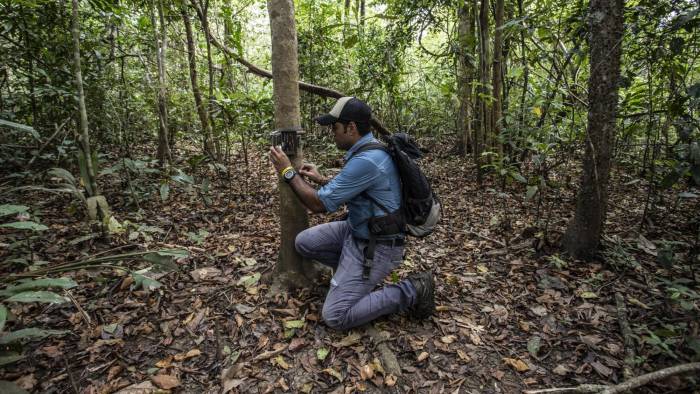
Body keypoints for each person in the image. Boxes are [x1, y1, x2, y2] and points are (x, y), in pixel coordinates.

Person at [269, 96, 435, 331]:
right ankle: (351, 274)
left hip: (377, 247)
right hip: (356, 232)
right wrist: (322, 179)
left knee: (335, 316)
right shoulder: (370, 150)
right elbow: (362, 187)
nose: (332, 133)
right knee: (304, 242)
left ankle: (412, 290)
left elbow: (318, 205)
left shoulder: (368, 159)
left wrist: (287, 170)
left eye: (334, 127)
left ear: (351, 128)